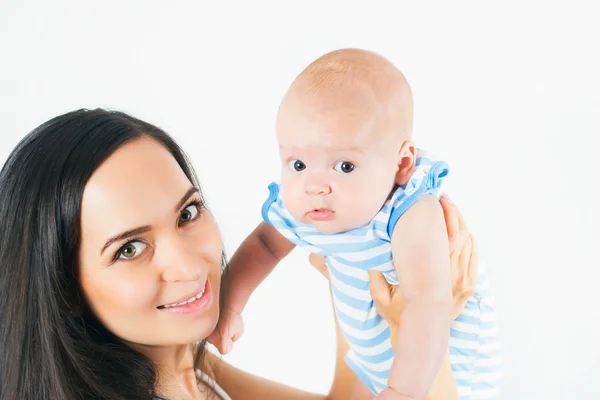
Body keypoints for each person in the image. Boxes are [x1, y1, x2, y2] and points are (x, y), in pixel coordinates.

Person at [0, 108, 478, 400]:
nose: (187, 265)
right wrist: (423, 314)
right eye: (129, 248)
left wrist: (357, 271)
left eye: (187, 214)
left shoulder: (193, 372)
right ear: (61, 286)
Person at [210, 48, 501, 399]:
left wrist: (403, 391)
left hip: (441, 367)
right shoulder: (309, 206)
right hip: (372, 356)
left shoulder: (407, 212)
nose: (315, 186)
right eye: (298, 164)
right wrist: (230, 305)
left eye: (344, 166)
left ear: (402, 164)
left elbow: (430, 303)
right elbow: (265, 245)